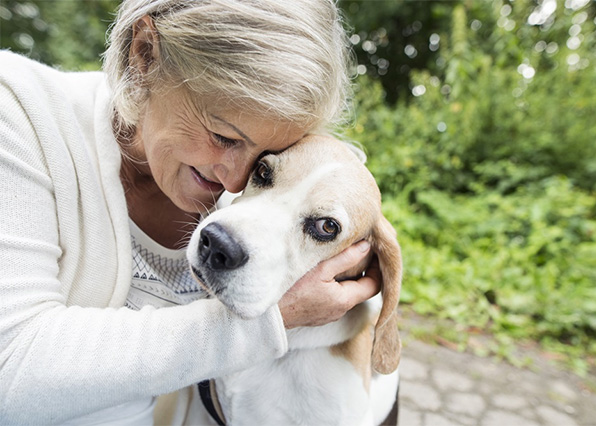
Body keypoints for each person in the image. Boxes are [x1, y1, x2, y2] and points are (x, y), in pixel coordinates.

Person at [0, 0, 380, 424]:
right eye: (223, 136)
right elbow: (9, 368)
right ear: (144, 55)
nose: (235, 184)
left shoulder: (242, 210)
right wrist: (270, 321)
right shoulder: (17, 113)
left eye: (264, 159)